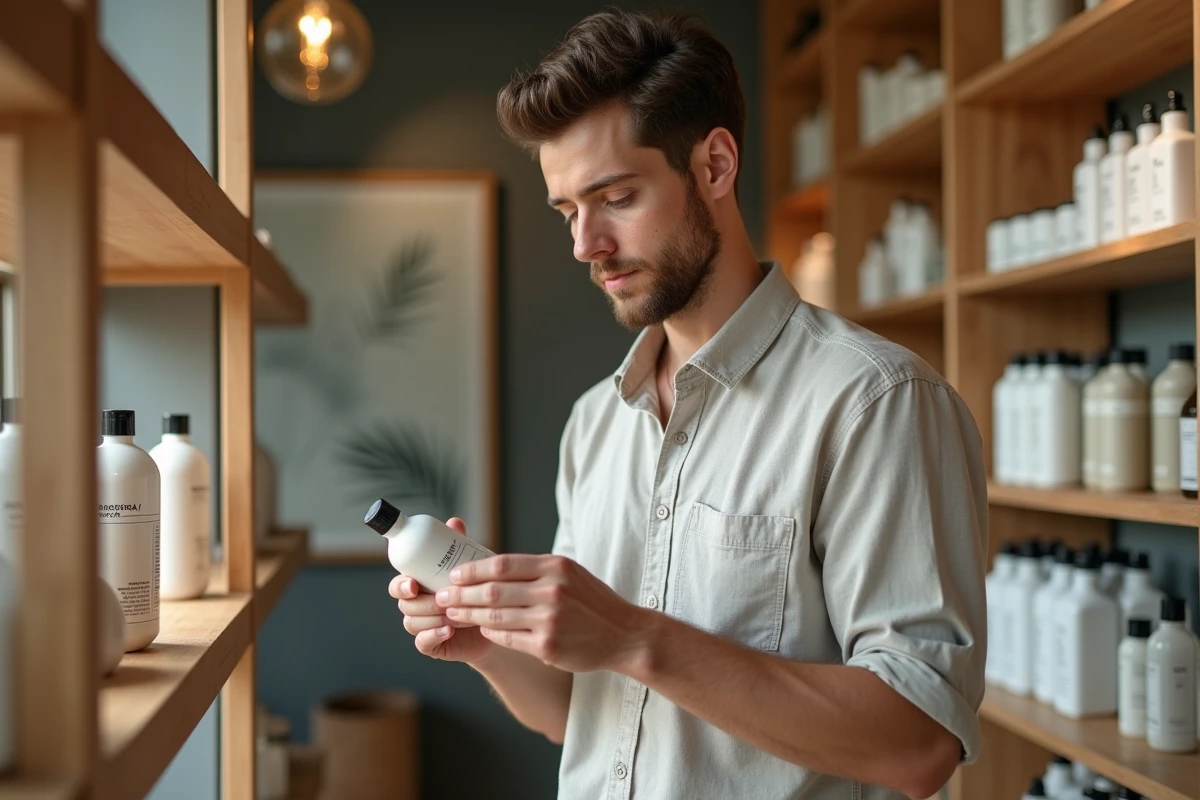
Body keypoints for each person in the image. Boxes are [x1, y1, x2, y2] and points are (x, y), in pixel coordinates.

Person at [388, 9, 987, 799]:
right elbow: (582, 715)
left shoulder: (876, 402)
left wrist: (634, 637)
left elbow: (919, 743)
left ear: (715, 165)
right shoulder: (595, 423)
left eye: (615, 196)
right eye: (568, 211)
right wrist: (489, 645)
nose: (585, 245)